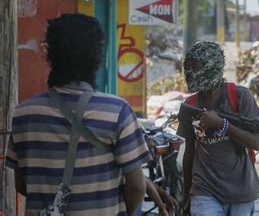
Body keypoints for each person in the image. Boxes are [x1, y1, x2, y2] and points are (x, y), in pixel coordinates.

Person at [5, 13, 152, 215]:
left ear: (50, 55)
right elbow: (136, 186)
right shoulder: (117, 111)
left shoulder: (24, 113)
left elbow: (22, 184)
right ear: (97, 57)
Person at [177, 41, 259, 216]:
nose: (190, 73)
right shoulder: (190, 105)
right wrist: (186, 195)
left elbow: (256, 143)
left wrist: (222, 125)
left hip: (241, 191)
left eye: (195, 67)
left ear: (212, 67)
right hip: (204, 190)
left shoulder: (240, 97)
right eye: (187, 67)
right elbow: (189, 153)